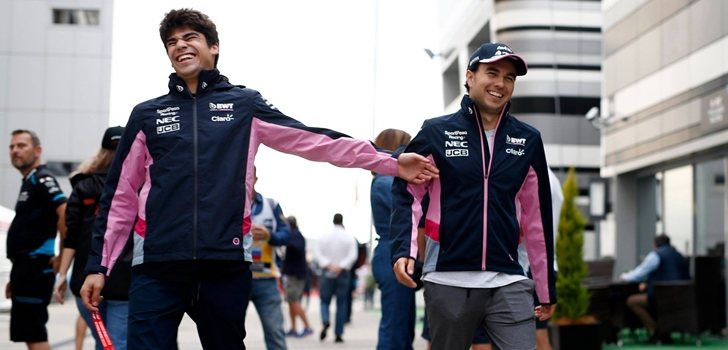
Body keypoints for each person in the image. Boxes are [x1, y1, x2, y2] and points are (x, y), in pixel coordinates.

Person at [79, 8, 438, 350]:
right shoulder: (146, 114)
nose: (180, 46)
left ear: (213, 46)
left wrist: (389, 161)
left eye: (190, 37)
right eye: (171, 42)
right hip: (156, 265)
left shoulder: (243, 105)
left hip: (223, 262)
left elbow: (313, 141)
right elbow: (120, 197)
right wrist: (99, 266)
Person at [390, 42, 557, 350]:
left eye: (509, 78)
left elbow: (538, 219)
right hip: (448, 278)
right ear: (469, 76)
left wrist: (546, 289)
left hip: (509, 278)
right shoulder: (436, 132)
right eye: (492, 72)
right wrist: (404, 249)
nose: (501, 83)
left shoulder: (528, 139)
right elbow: (407, 192)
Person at [54, 126, 132, 350]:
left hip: (84, 279)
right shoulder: (139, 184)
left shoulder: (83, 185)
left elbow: (72, 236)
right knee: (116, 344)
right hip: (123, 280)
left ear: (102, 151)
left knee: (103, 341)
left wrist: (62, 275)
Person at [6, 129, 68, 350]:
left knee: (34, 333)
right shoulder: (30, 181)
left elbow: (64, 213)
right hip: (25, 269)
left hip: (35, 268)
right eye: (12, 146)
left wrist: (62, 255)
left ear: (37, 150)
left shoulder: (42, 178)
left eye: (21, 145)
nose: (15, 150)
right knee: (28, 332)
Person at [369, 128, 418, 350]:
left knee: (404, 325)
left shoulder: (384, 180)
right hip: (391, 253)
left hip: (392, 252)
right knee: (396, 328)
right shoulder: (386, 181)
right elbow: (409, 211)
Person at [246, 171, 289, 350]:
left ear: (255, 178)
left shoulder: (271, 205)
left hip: (266, 278)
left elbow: (286, 234)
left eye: (248, 175)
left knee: (275, 332)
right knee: (228, 333)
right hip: (236, 278)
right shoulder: (228, 203)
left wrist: (269, 235)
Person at [619, 234, 689, 343]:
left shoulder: (656, 255)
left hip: (662, 296)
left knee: (632, 301)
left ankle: (656, 330)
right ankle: (664, 331)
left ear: (655, 244)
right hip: (681, 297)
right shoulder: (679, 255)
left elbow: (638, 274)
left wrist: (624, 276)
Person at [314, 213, 358, 343]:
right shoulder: (349, 238)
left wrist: (328, 264)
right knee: (342, 303)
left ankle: (326, 320)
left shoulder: (324, 236)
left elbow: (317, 253)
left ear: (333, 221)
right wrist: (341, 266)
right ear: (342, 221)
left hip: (327, 271)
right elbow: (353, 255)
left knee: (324, 301)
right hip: (343, 273)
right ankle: (338, 334)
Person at [281, 216, 313, 338]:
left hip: (295, 275)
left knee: (294, 301)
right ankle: (293, 328)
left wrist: (286, 241)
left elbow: (297, 248)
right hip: (293, 274)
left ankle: (307, 326)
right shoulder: (295, 235)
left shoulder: (295, 235)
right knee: (291, 301)